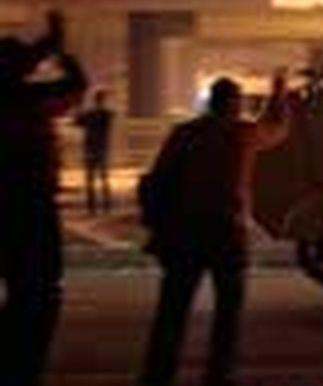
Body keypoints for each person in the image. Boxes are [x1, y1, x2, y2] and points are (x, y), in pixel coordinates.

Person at [139, 71, 290, 386]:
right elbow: (277, 129)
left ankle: (157, 376)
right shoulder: (241, 134)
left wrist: (158, 226)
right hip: (226, 235)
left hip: (183, 236)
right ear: (234, 104)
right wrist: (279, 93)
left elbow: (158, 179)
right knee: (226, 318)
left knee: (172, 314)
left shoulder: (183, 134)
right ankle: (218, 377)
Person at [0, 10, 89, 386]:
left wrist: (46, 46)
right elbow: (76, 85)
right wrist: (58, 49)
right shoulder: (29, 98)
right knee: (39, 292)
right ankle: (20, 369)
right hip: (30, 205)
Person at [74, 89, 116, 215]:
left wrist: (80, 107)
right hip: (101, 149)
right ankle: (107, 206)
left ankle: (91, 208)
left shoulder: (89, 115)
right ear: (103, 100)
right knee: (103, 178)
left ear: (94, 100)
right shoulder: (106, 114)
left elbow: (77, 122)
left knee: (90, 179)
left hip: (89, 149)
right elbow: (112, 116)